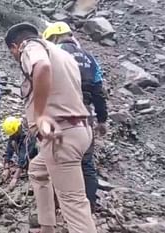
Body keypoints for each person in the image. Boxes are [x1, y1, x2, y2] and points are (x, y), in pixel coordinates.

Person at [4, 22, 97, 233]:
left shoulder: (30, 47)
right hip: (80, 130)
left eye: (12, 53)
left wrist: (39, 116)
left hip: (61, 136)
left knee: (74, 203)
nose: (15, 57)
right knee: (37, 170)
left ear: (14, 46)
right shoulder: (63, 54)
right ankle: (47, 227)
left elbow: (42, 67)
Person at [43, 21, 108, 212]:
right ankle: (89, 204)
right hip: (85, 115)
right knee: (86, 161)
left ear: (53, 38)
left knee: (55, 159)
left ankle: (58, 204)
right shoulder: (90, 59)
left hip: (61, 112)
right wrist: (102, 119)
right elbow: (99, 91)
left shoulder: (54, 53)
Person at [1, 116, 38, 191]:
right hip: (25, 154)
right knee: (13, 142)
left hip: (36, 155)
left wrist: (15, 178)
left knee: (29, 156)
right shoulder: (15, 132)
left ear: (18, 129)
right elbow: (9, 149)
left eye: (14, 134)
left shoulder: (29, 134)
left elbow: (24, 156)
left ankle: (32, 170)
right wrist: (6, 167)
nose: (12, 136)